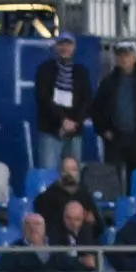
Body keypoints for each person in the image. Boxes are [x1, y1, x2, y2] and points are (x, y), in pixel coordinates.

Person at [33, 33, 93, 173]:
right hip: (50, 131)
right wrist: (62, 120)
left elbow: (87, 100)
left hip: (74, 132)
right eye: (61, 44)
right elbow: (43, 98)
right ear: (55, 47)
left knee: (72, 174)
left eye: (68, 44)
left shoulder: (81, 72)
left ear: (74, 47)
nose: (65, 48)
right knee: (48, 173)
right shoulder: (45, 70)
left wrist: (74, 122)